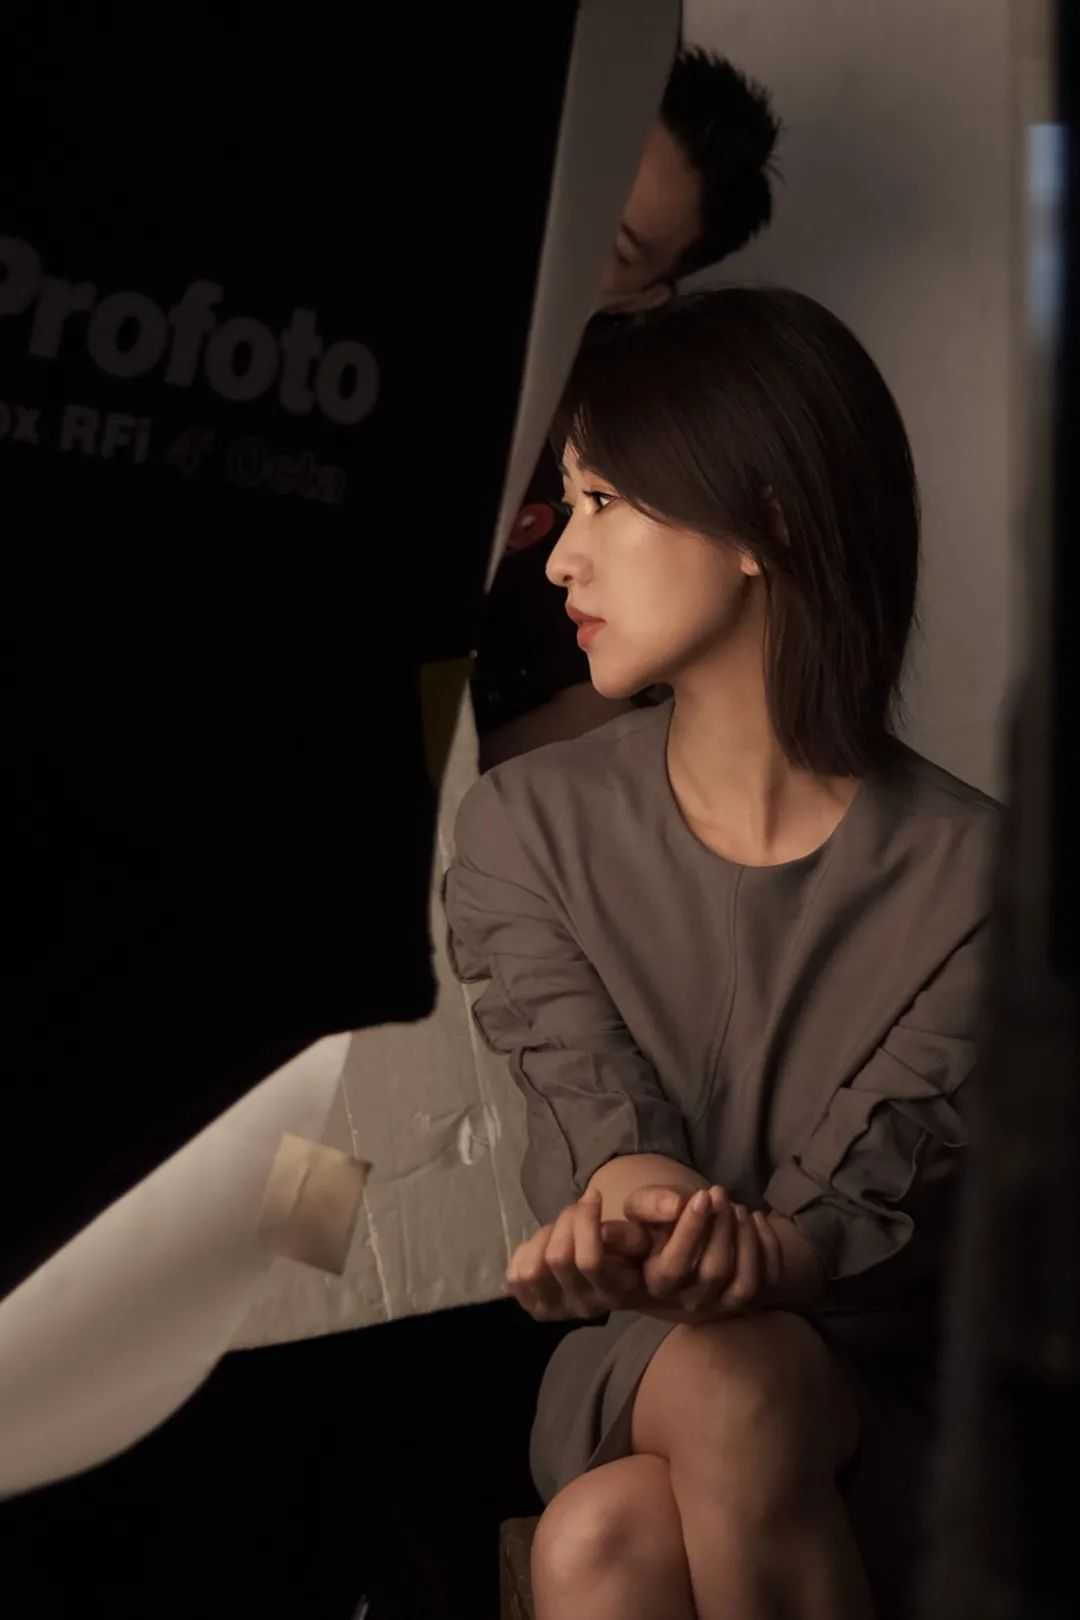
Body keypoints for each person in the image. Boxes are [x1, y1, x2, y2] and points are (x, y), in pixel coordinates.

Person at [445, 289, 997, 1620]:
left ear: (769, 520)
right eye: (565, 505)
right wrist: (637, 1217)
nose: (561, 561)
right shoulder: (525, 825)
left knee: (606, 1540)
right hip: (642, 1365)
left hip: (879, 1387)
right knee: (721, 1383)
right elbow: (600, 1110)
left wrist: (745, 1254)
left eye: (602, 502)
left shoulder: (987, 880)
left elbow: (851, 1212)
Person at [472, 47, 781, 770]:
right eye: (570, 181)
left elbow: (598, 701)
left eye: (610, 243)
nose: (558, 228)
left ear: (642, 294)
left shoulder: (613, 448)